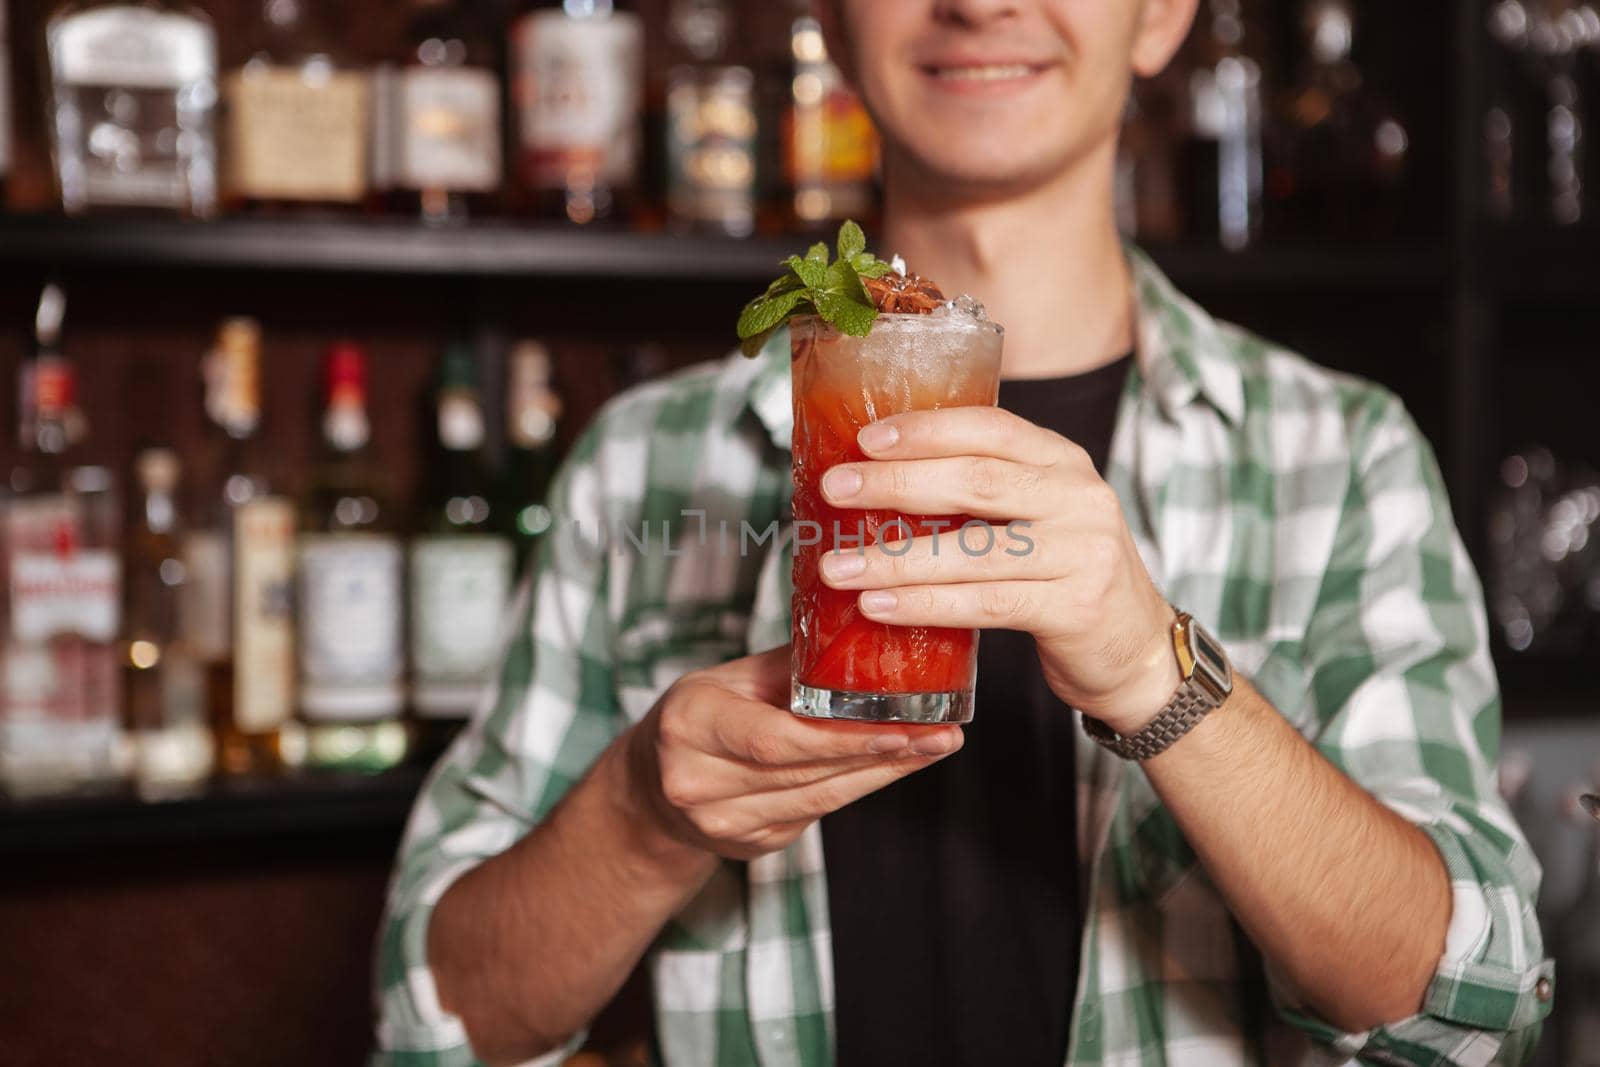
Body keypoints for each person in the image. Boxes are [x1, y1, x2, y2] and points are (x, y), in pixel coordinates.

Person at [374, 1, 1552, 1064]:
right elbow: (437, 1020)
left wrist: (1156, 671)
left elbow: (1470, 1007)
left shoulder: (1341, 453)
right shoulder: (642, 464)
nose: (980, 4)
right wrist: (638, 813)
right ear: (831, 26)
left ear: (1160, 19)